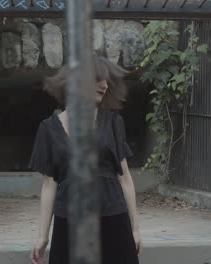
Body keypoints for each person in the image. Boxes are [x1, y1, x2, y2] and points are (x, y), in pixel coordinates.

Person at [29, 55, 142, 264]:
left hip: (113, 219)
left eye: (106, 80)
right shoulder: (48, 129)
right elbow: (49, 185)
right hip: (69, 223)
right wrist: (42, 236)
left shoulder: (113, 122)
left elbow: (125, 179)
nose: (105, 85)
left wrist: (135, 228)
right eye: (98, 79)